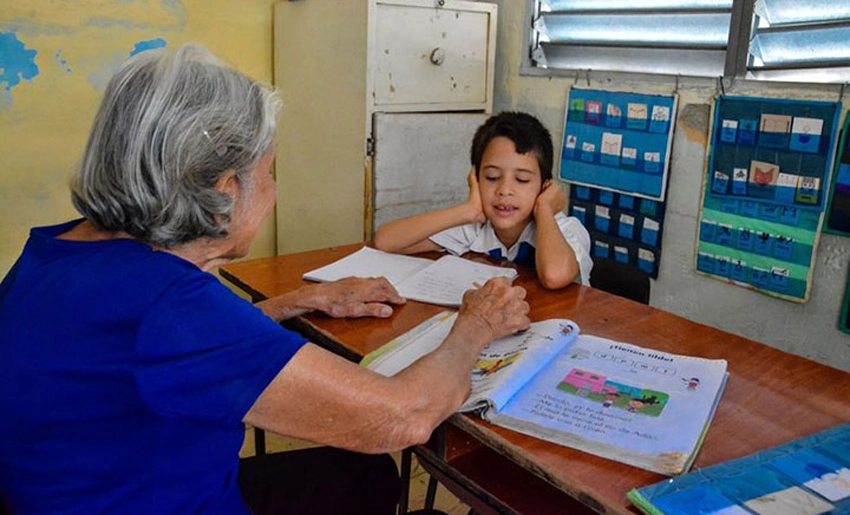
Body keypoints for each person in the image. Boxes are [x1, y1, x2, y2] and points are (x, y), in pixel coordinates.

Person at [0, 44, 530, 515]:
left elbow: (169, 355)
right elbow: (404, 417)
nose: (273, 190)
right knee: (369, 466)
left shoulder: (55, 252)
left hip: (102, 487)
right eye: (270, 172)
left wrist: (298, 301)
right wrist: (477, 323)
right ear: (226, 191)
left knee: (358, 477)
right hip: (168, 498)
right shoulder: (167, 303)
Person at [374, 111, 593, 289]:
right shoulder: (475, 228)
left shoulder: (566, 229)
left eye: (522, 179)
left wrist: (545, 209)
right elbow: (386, 241)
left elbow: (554, 276)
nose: (505, 190)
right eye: (492, 177)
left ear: (545, 186)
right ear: (475, 179)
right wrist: (468, 211)